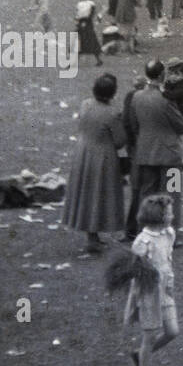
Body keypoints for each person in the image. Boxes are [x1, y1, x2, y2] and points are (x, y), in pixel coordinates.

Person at [120, 193, 179, 366]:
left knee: (172, 331)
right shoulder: (142, 242)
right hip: (148, 294)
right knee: (150, 336)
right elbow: (136, 271)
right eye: (169, 213)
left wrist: (169, 284)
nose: (172, 216)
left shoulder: (169, 233)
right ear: (158, 217)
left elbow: (167, 261)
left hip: (165, 290)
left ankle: (139, 355)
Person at [63, 72, 128, 253]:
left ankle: (92, 236)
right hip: (103, 156)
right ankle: (93, 239)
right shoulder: (112, 113)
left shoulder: (85, 104)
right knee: (99, 194)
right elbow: (120, 141)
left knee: (86, 192)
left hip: (83, 152)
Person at [124, 60, 183, 241]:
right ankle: (171, 233)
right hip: (170, 155)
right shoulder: (165, 99)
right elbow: (182, 126)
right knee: (172, 194)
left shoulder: (136, 97)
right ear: (161, 75)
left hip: (146, 153)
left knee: (147, 194)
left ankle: (145, 231)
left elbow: (134, 125)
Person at [75, 0, 103, 67]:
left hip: (82, 24)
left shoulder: (79, 5)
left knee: (80, 43)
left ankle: (73, 62)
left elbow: (78, 16)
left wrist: (79, 24)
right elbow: (92, 14)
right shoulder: (91, 4)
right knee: (92, 41)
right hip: (88, 24)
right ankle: (98, 60)